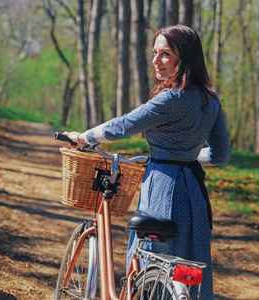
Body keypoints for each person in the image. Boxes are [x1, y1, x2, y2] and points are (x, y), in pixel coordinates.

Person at [64, 24, 231, 299]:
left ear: (185, 58)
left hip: (164, 188)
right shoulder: (210, 101)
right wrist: (186, 157)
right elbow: (220, 154)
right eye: (155, 52)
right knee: (187, 263)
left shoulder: (171, 98)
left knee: (152, 259)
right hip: (194, 195)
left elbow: (124, 125)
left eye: (165, 54)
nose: (156, 61)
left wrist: (83, 138)